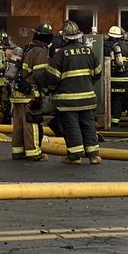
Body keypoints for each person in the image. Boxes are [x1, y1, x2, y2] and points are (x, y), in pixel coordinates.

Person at [41, 20, 103, 164]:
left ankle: (74, 156)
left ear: (65, 38)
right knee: (88, 125)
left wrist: (49, 91)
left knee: (72, 126)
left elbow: (52, 78)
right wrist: (88, 84)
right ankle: (94, 155)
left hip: (67, 100)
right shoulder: (89, 51)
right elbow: (98, 73)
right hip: (87, 98)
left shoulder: (61, 54)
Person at [10, 21, 53, 162]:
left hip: (17, 92)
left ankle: (18, 151)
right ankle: (34, 152)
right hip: (30, 94)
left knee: (19, 124)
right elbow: (40, 74)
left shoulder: (27, 48)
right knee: (31, 123)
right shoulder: (40, 51)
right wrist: (46, 89)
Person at [105, 26, 128, 126]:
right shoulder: (124, 47)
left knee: (108, 99)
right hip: (122, 80)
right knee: (118, 99)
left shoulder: (104, 46)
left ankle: (107, 119)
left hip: (107, 80)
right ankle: (115, 120)